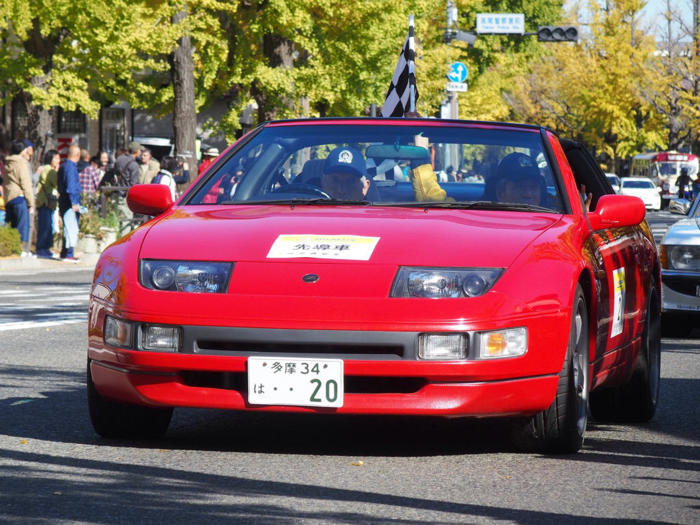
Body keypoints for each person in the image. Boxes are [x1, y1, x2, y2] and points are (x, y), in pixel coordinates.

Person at [2, 140, 36, 257]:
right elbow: (26, 183)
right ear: (23, 150)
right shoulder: (21, 163)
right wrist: (31, 203)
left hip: (9, 197)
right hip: (20, 197)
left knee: (12, 225)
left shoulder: (8, 162)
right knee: (23, 225)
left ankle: (13, 249)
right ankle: (21, 250)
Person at [57, 144, 82, 262]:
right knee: (71, 228)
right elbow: (71, 186)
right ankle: (69, 253)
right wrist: (74, 202)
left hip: (63, 199)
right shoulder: (71, 167)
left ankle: (64, 252)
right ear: (77, 155)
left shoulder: (63, 166)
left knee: (67, 227)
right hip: (69, 201)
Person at [35, 149, 60, 258]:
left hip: (45, 201)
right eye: (56, 158)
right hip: (46, 201)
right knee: (46, 226)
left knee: (47, 225)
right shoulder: (49, 170)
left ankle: (45, 249)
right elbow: (56, 183)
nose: (58, 160)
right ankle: (42, 248)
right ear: (50, 158)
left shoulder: (46, 169)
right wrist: (57, 171)